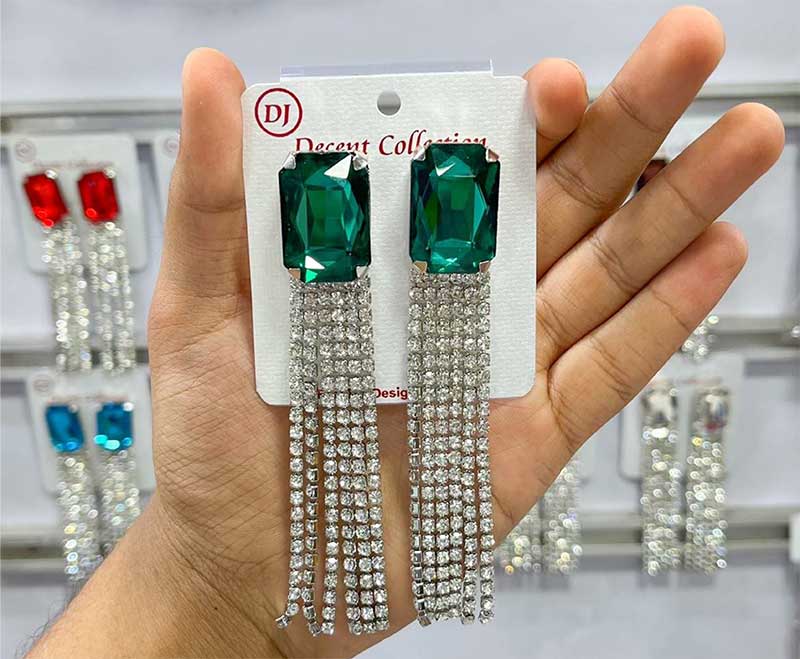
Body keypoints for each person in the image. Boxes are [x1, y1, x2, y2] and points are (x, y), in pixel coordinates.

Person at [28, 7, 784, 658]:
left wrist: (208, 597)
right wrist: (208, 587)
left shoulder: (444, 213)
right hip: (343, 293)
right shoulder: (329, 218)